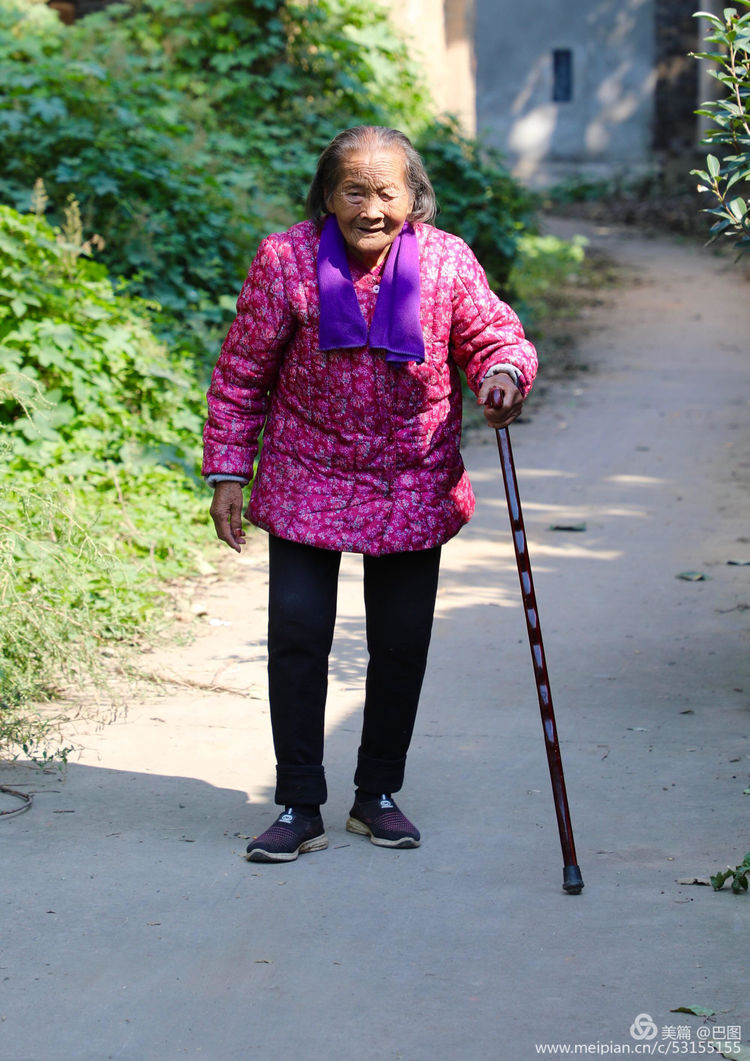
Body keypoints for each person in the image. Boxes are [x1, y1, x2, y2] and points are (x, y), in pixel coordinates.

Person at [202, 125, 537, 863]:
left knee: (399, 643)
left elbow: (494, 336)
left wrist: (504, 373)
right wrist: (228, 469)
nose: (371, 207)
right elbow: (240, 374)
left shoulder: (446, 262)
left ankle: (376, 794)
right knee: (296, 634)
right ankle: (298, 801)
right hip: (305, 470)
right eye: (353, 190)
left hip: (410, 476)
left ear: (414, 198)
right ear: (327, 195)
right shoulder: (284, 259)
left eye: (388, 191)